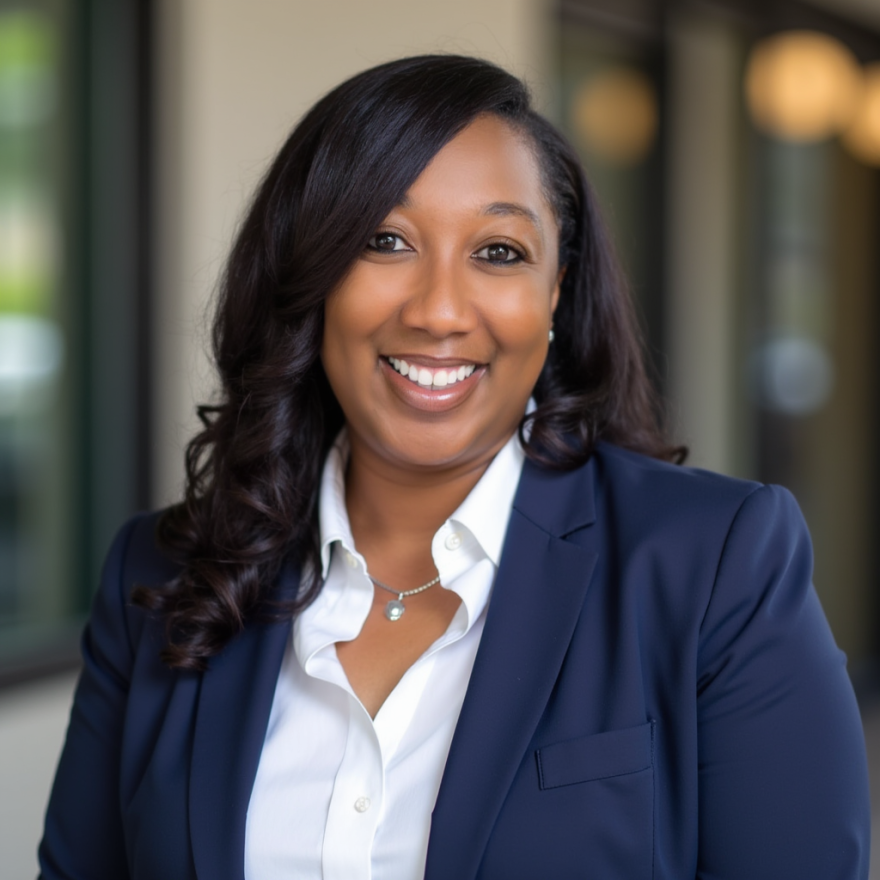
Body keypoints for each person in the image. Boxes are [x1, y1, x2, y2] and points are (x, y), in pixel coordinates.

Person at [39, 55, 869, 880]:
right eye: (384, 241)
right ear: (311, 274)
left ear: (556, 292)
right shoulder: (157, 578)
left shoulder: (714, 565)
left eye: (499, 252)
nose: (438, 310)